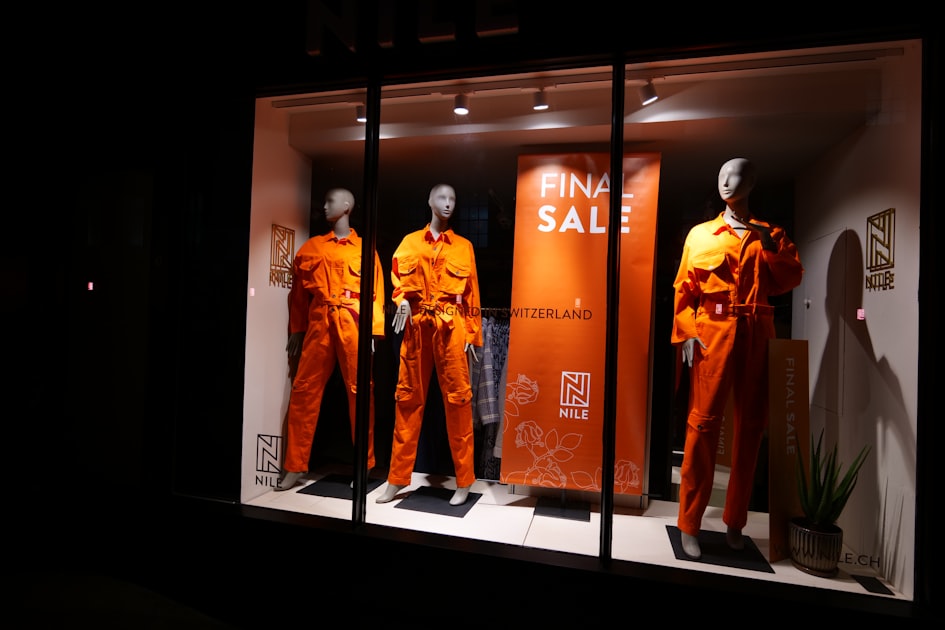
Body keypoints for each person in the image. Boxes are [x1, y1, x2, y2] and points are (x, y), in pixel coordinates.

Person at [671, 158, 803, 559]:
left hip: (758, 331)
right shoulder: (702, 235)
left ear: (753, 183)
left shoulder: (771, 234)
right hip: (713, 332)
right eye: (723, 175)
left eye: (738, 175)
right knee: (703, 425)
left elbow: (790, 278)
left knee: (751, 429)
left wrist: (768, 245)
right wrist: (688, 335)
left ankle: (735, 522)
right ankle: (689, 524)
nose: (728, 182)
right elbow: (684, 290)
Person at [375, 184, 482, 506]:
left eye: (453, 199)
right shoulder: (409, 242)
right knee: (407, 401)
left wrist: (473, 335)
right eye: (442, 198)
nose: (448, 204)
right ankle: (396, 479)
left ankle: (464, 481)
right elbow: (396, 281)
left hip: (451, 327)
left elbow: (473, 293)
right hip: (417, 327)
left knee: (459, 403)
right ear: (429, 201)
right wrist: (402, 299)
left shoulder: (464, 246)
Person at [276, 188, 386, 491]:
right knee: (304, 390)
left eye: (330, 201)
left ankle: (364, 466)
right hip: (319, 321)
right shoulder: (310, 248)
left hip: (353, 322)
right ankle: (295, 466)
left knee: (360, 392)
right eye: (324, 202)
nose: (324, 207)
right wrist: (297, 329)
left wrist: (374, 331)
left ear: (347, 206)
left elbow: (376, 293)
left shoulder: (365, 249)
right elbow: (298, 296)